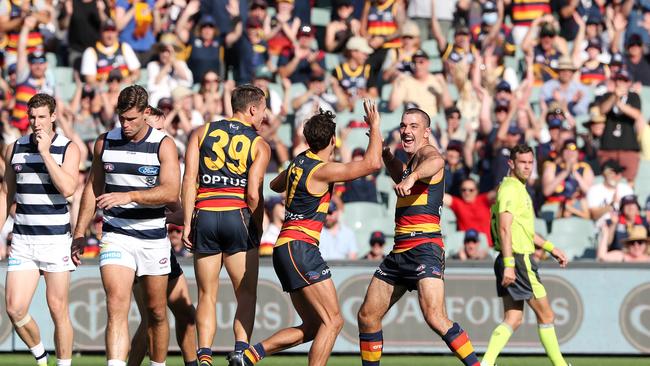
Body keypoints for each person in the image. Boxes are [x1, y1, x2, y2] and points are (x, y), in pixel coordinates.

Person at [229, 100, 383, 366]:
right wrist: (376, 126)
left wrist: (294, 179)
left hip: (286, 247)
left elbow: (277, 184)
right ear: (332, 140)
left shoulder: (300, 161)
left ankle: (249, 356)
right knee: (333, 320)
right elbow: (371, 164)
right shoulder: (323, 170)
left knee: (314, 326)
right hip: (301, 247)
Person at [357, 108, 480, 366]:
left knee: (435, 317)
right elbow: (399, 173)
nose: (406, 131)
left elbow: (437, 161)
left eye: (413, 126)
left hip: (424, 247)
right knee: (367, 316)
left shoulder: (427, 154)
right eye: (403, 125)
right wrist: (387, 154)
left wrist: (412, 175)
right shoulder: (410, 162)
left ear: (426, 132)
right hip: (400, 251)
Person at [72, 85, 180, 366]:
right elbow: (92, 189)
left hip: (153, 237)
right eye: (122, 118)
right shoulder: (104, 142)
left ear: (146, 113)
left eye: (131, 118)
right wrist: (79, 231)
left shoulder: (163, 144)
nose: (126, 124)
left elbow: (171, 192)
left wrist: (130, 196)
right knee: (116, 306)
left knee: (156, 312)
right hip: (116, 234)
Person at [181, 84, 271, 366]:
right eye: (263, 109)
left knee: (206, 294)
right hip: (237, 215)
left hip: (205, 214)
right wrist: (256, 224)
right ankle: (240, 352)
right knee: (245, 292)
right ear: (252, 108)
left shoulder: (201, 132)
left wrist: (186, 224)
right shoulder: (259, 144)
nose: (264, 116)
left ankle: (205, 356)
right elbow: (254, 192)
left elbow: (189, 181)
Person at [2, 94, 80, 366]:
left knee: (58, 310)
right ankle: (40, 356)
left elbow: (68, 189)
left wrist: (45, 153)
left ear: (53, 117)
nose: (36, 123)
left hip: (56, 240)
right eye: (32, 117)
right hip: (23, 239)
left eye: (42, 117)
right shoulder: (14, 148)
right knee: (14, 307)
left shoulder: (68, 148)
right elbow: (5, 195)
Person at [482, 144, 570, 366]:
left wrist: (551, 248)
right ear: (511, 163)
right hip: (518, 259)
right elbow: (505, 228)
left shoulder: (516, 188)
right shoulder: (511, 188)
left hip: (509, 258)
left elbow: (525, 230)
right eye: (523, 162)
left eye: (531, 163)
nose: (528, 167)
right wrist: (511, 263)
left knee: (513, 318)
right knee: (547, 316)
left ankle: (485, 364)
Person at [127, 106, 198, 366]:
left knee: (185, 312)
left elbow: (180, 212)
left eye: (163, 130)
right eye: (156, 131)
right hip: (134, 244)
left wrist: (167, 217)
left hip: (159, 246)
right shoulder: (134, 161)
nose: (161, 137)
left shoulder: (166, 160)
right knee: (151, 319)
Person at [80, 18, 141, 86]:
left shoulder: (124, 47)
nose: (110, 35)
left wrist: (130, 79)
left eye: (113, 30)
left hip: (124, 89)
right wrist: (108, 86)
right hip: (103, 91)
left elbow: (137, 72)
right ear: (100, 32)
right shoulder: (91, 52)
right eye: (106, 31)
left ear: (117, 32)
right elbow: (90, 80)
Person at [443, 178, 495, 246]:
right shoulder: (458, 203)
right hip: (468, 248)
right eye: (463, 190)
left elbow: (497, 192)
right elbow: (440, 196)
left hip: (487, 247)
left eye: (471, 190)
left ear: (477, 191)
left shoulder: (483, 200)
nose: (467, 192)